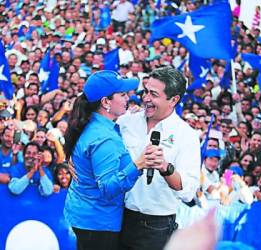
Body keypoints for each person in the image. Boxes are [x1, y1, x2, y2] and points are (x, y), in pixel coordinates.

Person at [63, 70, 162, 250]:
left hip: (85, 217)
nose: (128, 99)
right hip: (98, 224)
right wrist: (139, 164)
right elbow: (108, 188)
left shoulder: (91, 123)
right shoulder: (104, 138)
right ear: (105, 102)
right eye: (122, 95)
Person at [118, 66, 200, 250]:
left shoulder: (186, 135)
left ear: (173, 100)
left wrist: (165, 167)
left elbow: (187, 190)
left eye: (153, 94)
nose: (146, 98)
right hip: (117, 217)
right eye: (146, 91)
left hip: (156, 227)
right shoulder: (126, 122)